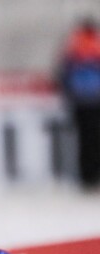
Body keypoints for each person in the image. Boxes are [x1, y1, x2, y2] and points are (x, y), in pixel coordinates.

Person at [58, 17, 100, 188]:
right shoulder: (97, 45)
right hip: (96, 100)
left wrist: (69, 94)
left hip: (80, 101)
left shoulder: (74, 46)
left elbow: (63, 74)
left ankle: (86, 177)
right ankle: (94, 175)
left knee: (83, 140)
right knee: (95, 139)